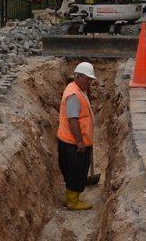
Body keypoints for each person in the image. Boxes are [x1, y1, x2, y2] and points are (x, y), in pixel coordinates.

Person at [57, 62, 97, 210]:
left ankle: (69, 197)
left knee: (71, 171)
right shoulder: (74, 94)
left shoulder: (76, 88)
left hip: (68, 141)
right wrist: (80, 141)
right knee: (77, 171)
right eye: (88, 80)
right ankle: (73, 202)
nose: (90, 83)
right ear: (78, 77)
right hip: (74, 143)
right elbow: (73, 119)